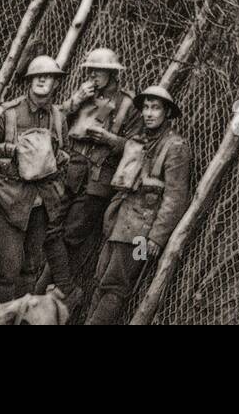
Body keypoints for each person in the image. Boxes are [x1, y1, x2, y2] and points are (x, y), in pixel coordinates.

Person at [0, 54, 75, 303]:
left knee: (30, 269)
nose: (42, 80)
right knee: (8, 271)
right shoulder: (8, 114)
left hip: (42, 205)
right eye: (37, 76)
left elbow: (65, 156)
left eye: (48, 77)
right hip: (10, 203)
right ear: (29, 80)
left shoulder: (58, 118)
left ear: (56, 83)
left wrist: (56, 189)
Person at [85, 84, 190, 325]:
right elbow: (127, 151)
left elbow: (175, 197)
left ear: (167, 114)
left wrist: (156, 237)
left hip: (141, 235)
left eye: (156, 108)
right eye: (146, 107)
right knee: (101, 279)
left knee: (116, 285)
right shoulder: (140, 140)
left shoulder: (175, 147)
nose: (149, 113)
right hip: (118, 224)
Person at [60, 48, 139, 287]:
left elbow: (136, 147)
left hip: (98, 179)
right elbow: (53, 120)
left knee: (72, 235)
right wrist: (75, 101)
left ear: (113, 74)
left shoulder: (129, 104)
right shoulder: (84, 96)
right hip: (70, 172)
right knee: (51, 229)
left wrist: (110, 140)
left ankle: (53, 290)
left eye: (99, 71)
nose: (93, 75)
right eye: (90, 70)